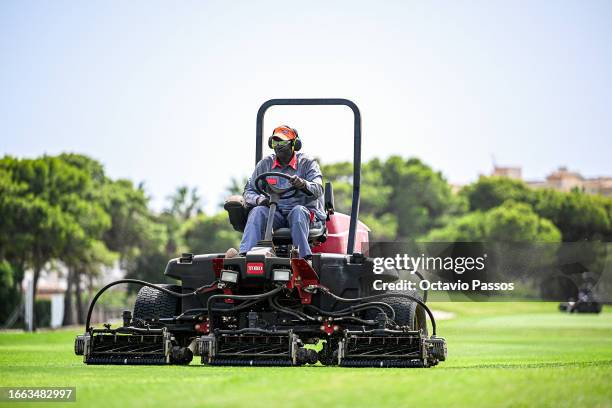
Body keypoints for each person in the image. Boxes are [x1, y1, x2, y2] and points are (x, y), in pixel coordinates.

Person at [230, 125, 325, 259]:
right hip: (276, 213)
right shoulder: (265, 164)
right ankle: (246, 256)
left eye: (283, 142)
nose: (278, 146)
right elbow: (249, 191)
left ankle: (303, 259)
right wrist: (260, 200)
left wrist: (303, 184)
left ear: (294, 144)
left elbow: (318, 189)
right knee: (257, 211)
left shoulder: (308, 163)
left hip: (304, 214)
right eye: (275, 142)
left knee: (298, 211)